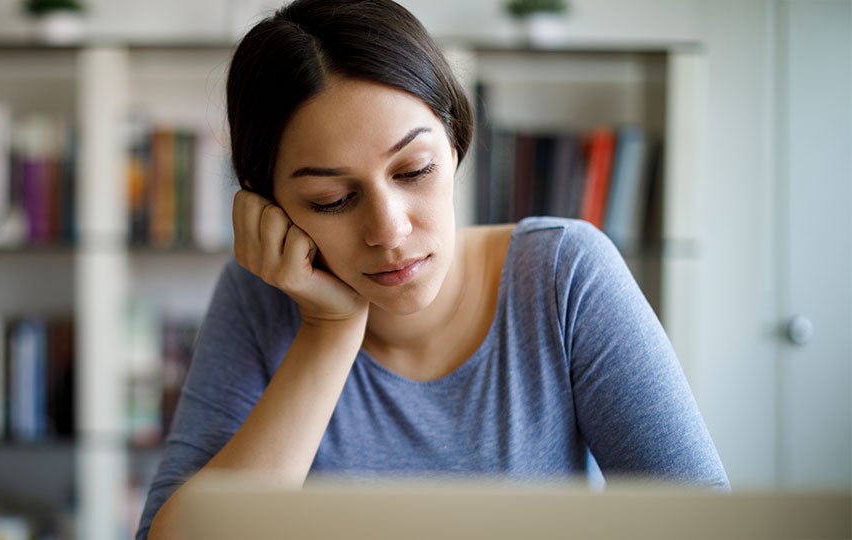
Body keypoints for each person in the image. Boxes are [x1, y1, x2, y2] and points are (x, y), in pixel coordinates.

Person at [137, 0, 729, 537]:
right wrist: (329, 330)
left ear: (455, 143)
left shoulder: (563, 277)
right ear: (270, 208)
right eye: (331, 201)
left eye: (413, 170)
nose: (389, 231)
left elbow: (705, 527)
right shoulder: (259, 297)